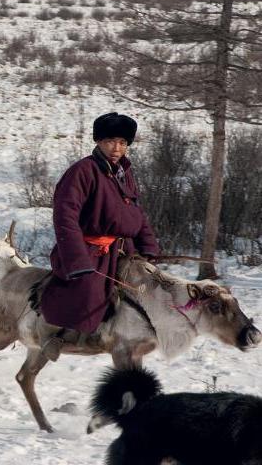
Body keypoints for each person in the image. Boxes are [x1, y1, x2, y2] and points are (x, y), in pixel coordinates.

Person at [39, 112, 160, 361]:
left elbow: (135, 211)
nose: (117, 148)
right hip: (88, 250)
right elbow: (65, 216)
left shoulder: (123, 172)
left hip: (122, 248)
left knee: (147, 287)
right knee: (90, 289)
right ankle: (61, 336)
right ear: (98, 141)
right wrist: (77, 260)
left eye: (123, 143)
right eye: (111, 141)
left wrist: (148, 246)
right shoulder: (82, 171)